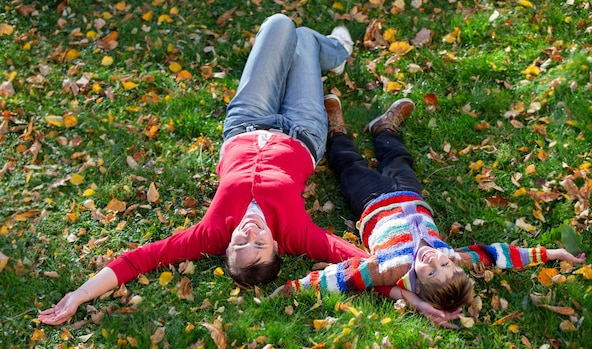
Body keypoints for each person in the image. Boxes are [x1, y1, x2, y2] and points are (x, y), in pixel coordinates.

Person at [39, 14, 368, 326]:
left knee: (280, 25)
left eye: (240, 245)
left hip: (246, 122)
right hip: (302, 131)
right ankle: (334, 53)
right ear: (277, 246)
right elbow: (366, 264)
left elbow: (141, 258)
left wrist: (79, 295)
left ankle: (319, 52)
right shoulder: (296, 232)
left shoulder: (210, 232)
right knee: (303, 41)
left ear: (226, 248)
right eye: (260, 244)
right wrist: (413, 292)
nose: (250, 234)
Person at [274, 95, 586, 328]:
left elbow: (341, 277)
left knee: (348, 165)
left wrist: (292, 289)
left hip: (370, 201)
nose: (434, 260)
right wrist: (555, 253)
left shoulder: (391, 269)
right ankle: (383, 127)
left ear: (418, 284)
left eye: (431, 271)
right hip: (409, 193)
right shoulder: (452, 256)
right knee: (398, 157)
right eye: (444, 265)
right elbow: (499, 255)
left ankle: (337, 131)